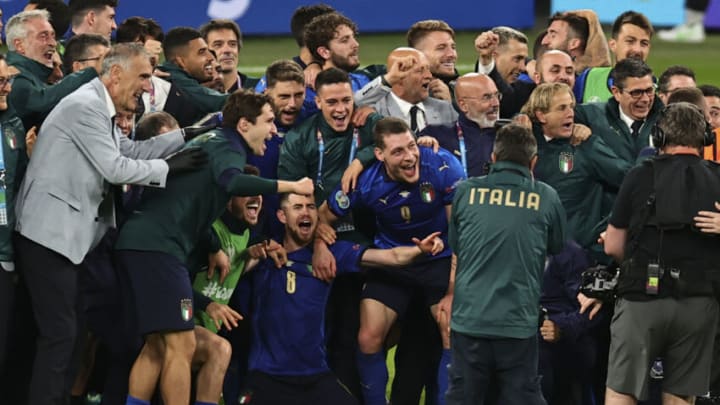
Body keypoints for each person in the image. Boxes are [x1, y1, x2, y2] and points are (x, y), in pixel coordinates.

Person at [13, 42, 199, 405]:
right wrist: (168, 168)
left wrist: (184, 137)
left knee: (72, 332)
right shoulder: (85, 107)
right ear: (115, 74)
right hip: (48, 237)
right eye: (143, 76)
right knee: (61, 335)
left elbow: (127, 152)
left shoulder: (99, 105)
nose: (148, 86)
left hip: (68, 239)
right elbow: (115, 169)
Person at [114, 89, 313, 405]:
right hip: (159, 249)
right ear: (245, 125)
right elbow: (233, 183)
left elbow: (188, 201)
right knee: (182, 345)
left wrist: (212, 245)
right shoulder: (229, 145)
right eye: (269, 121)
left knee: (157, 346)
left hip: (140, 244)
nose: (274, 130)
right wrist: (291, 186)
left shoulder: (214, 140)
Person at [240, 192, 444, 404]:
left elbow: (391, 257)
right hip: (267, 376)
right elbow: (232, 268)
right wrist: (253, 252)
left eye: (310, 206)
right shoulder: (266, 255)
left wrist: (419, 250)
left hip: (315, 376)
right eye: (298, 207)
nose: (306, 212)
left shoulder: (331, 256)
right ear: (282, 216)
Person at [318, 117, 465, 405]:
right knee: (368, 337)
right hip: (392, 261)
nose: (410, 157)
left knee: (451, 329)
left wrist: (451, 291)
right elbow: (323, 216)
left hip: (440, 258)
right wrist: (319, 239)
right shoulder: (365, 181)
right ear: (379, 154)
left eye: (411, 146)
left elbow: (459, 235)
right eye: (398, 152)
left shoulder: (443, 166)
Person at [583, 102, 720, 405]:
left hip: (643, 296)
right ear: (706, 138)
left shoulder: (640, 174)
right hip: (699, 302)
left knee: (622, 390)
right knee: (681, 396)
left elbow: (613, 245)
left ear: (658, 137)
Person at [442, 123, 567, 405]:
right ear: (533, 162)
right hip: (517, 323)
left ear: (494, 158)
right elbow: (557, 246)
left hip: (470, 319)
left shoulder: (465, 192)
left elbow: (458, 245)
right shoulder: (546, 197)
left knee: (464, 398)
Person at [523, 82, 630, 253]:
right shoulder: (525, 146)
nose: (570, 114)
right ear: (541, 115)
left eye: (571, 107)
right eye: (562, 108)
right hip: (532, 249)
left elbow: (628, 178)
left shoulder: (584, 145)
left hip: (576, 253)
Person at [5, 9, 98, 129]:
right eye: (43, 36)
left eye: (53, 36)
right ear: (19, 45)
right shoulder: (14, 78)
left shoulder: (37, 76)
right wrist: (92, 70)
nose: (53, 43)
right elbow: (41, 104)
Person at [0, 53, 29, 389]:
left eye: (8, 80)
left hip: (5, 256)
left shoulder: (13, 126)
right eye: (1, 81)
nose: (6, 88)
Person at [574, 58, 663, 164]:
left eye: (649, 91)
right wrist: (575, 128)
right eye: (636, 93)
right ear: (616, 93)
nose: (645, 99)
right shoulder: (591, 116)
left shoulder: (668, 120)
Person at [421, 73, 500, 177]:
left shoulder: (508, 135)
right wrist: (422, 146)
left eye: (497, 95)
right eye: (487, 97)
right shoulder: (436, 136)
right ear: (463, 105)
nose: (496, 103)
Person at [370, 47, 457, 133]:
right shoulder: (376, 111)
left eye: (428, 69)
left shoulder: (444, 108)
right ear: (398, 77)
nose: (429, 76)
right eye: (420, 71)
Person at [574, 11, 654, 103]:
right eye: (630, 41)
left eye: (644, 43)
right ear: (613, 45)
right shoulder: (588, 79)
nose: (637, 50)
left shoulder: (657, 89)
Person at [159, 27, 228, 127]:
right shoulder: (173, 78)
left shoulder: (171, 74)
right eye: (201, 52)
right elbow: (219, 102)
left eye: (208, 51)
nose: (211, 58)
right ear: (180, 61)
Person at [474, 26, 533, 118]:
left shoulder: (525, 91)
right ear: (493, 56)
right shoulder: (463, 88)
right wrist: (486, 60)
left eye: (524, 60)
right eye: (517, 59)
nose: (523, 67)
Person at [199, 19, 258, 93]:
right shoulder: (194, 94)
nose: (227, 50)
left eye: (232, 44)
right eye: (218, 45)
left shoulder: (258, 89)